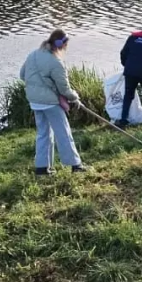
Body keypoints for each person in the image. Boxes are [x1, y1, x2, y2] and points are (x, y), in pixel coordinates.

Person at [19, 29, 86, 175]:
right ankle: (76, 165)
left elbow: (22, 75)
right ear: (62, 45)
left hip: (35, 102)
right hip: (50, 104)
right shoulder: (56, 63)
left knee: (43, 133)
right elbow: (64, 89)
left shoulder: (33, 55)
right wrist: (75, 98)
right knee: (63, 133)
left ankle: (42, 168)